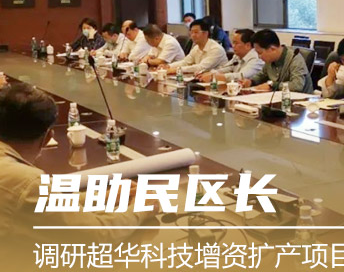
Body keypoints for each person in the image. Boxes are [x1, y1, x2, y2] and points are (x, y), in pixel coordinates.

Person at [0, 83, 158, 242]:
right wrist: (142, 207)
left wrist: (104, 197)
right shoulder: (27, 182)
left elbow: (49, 204)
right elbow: (99, 235)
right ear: (48, 137)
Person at [242, 29, 313, 93]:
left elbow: (297, 85)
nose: (259, 57)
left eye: (260, 53)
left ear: (272, 49)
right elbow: (262, 74)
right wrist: (251, 81)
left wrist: (272, 85)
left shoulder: (294, 57)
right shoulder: (269, 60)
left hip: (300, 100)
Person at [197, 29, 263, 83]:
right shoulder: (237, 56)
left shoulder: (256, 59)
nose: (233, 46)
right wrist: (210, 73)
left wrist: (214, 77)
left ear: (247, 45)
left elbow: (241, 76)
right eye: (233, 43)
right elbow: (227, 68)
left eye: (236, 43)